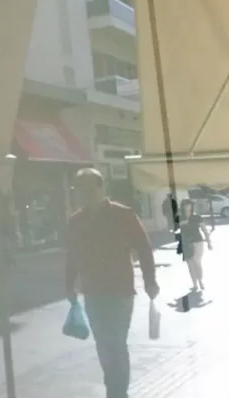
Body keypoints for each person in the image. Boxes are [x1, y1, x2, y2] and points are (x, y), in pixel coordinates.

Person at [65, 168, 159, 398]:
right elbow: (72, 255)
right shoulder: (76, 221)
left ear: (101, 188)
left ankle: (117, 392)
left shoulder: (123, 215)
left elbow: (144, 248)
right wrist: (69, 284)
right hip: (93, 292)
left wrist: (150, 280)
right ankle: (114, 388)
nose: (84, 195)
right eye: (80, 190)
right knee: (103, 344)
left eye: (88, 190)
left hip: (120, 291)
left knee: (115, 343)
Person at [177, 199, 212, 291]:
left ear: (191, 205)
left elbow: (204, 230)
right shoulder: (180, 217)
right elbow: (175, 230)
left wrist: (209, 242)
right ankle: (195, 284)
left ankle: (200, 280)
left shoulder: (197, 217)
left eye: (188, 204)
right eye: (184, 204)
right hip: (186, 243)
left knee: (196, 261)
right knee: (190, 265)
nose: (186, 206)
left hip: (198, 242)